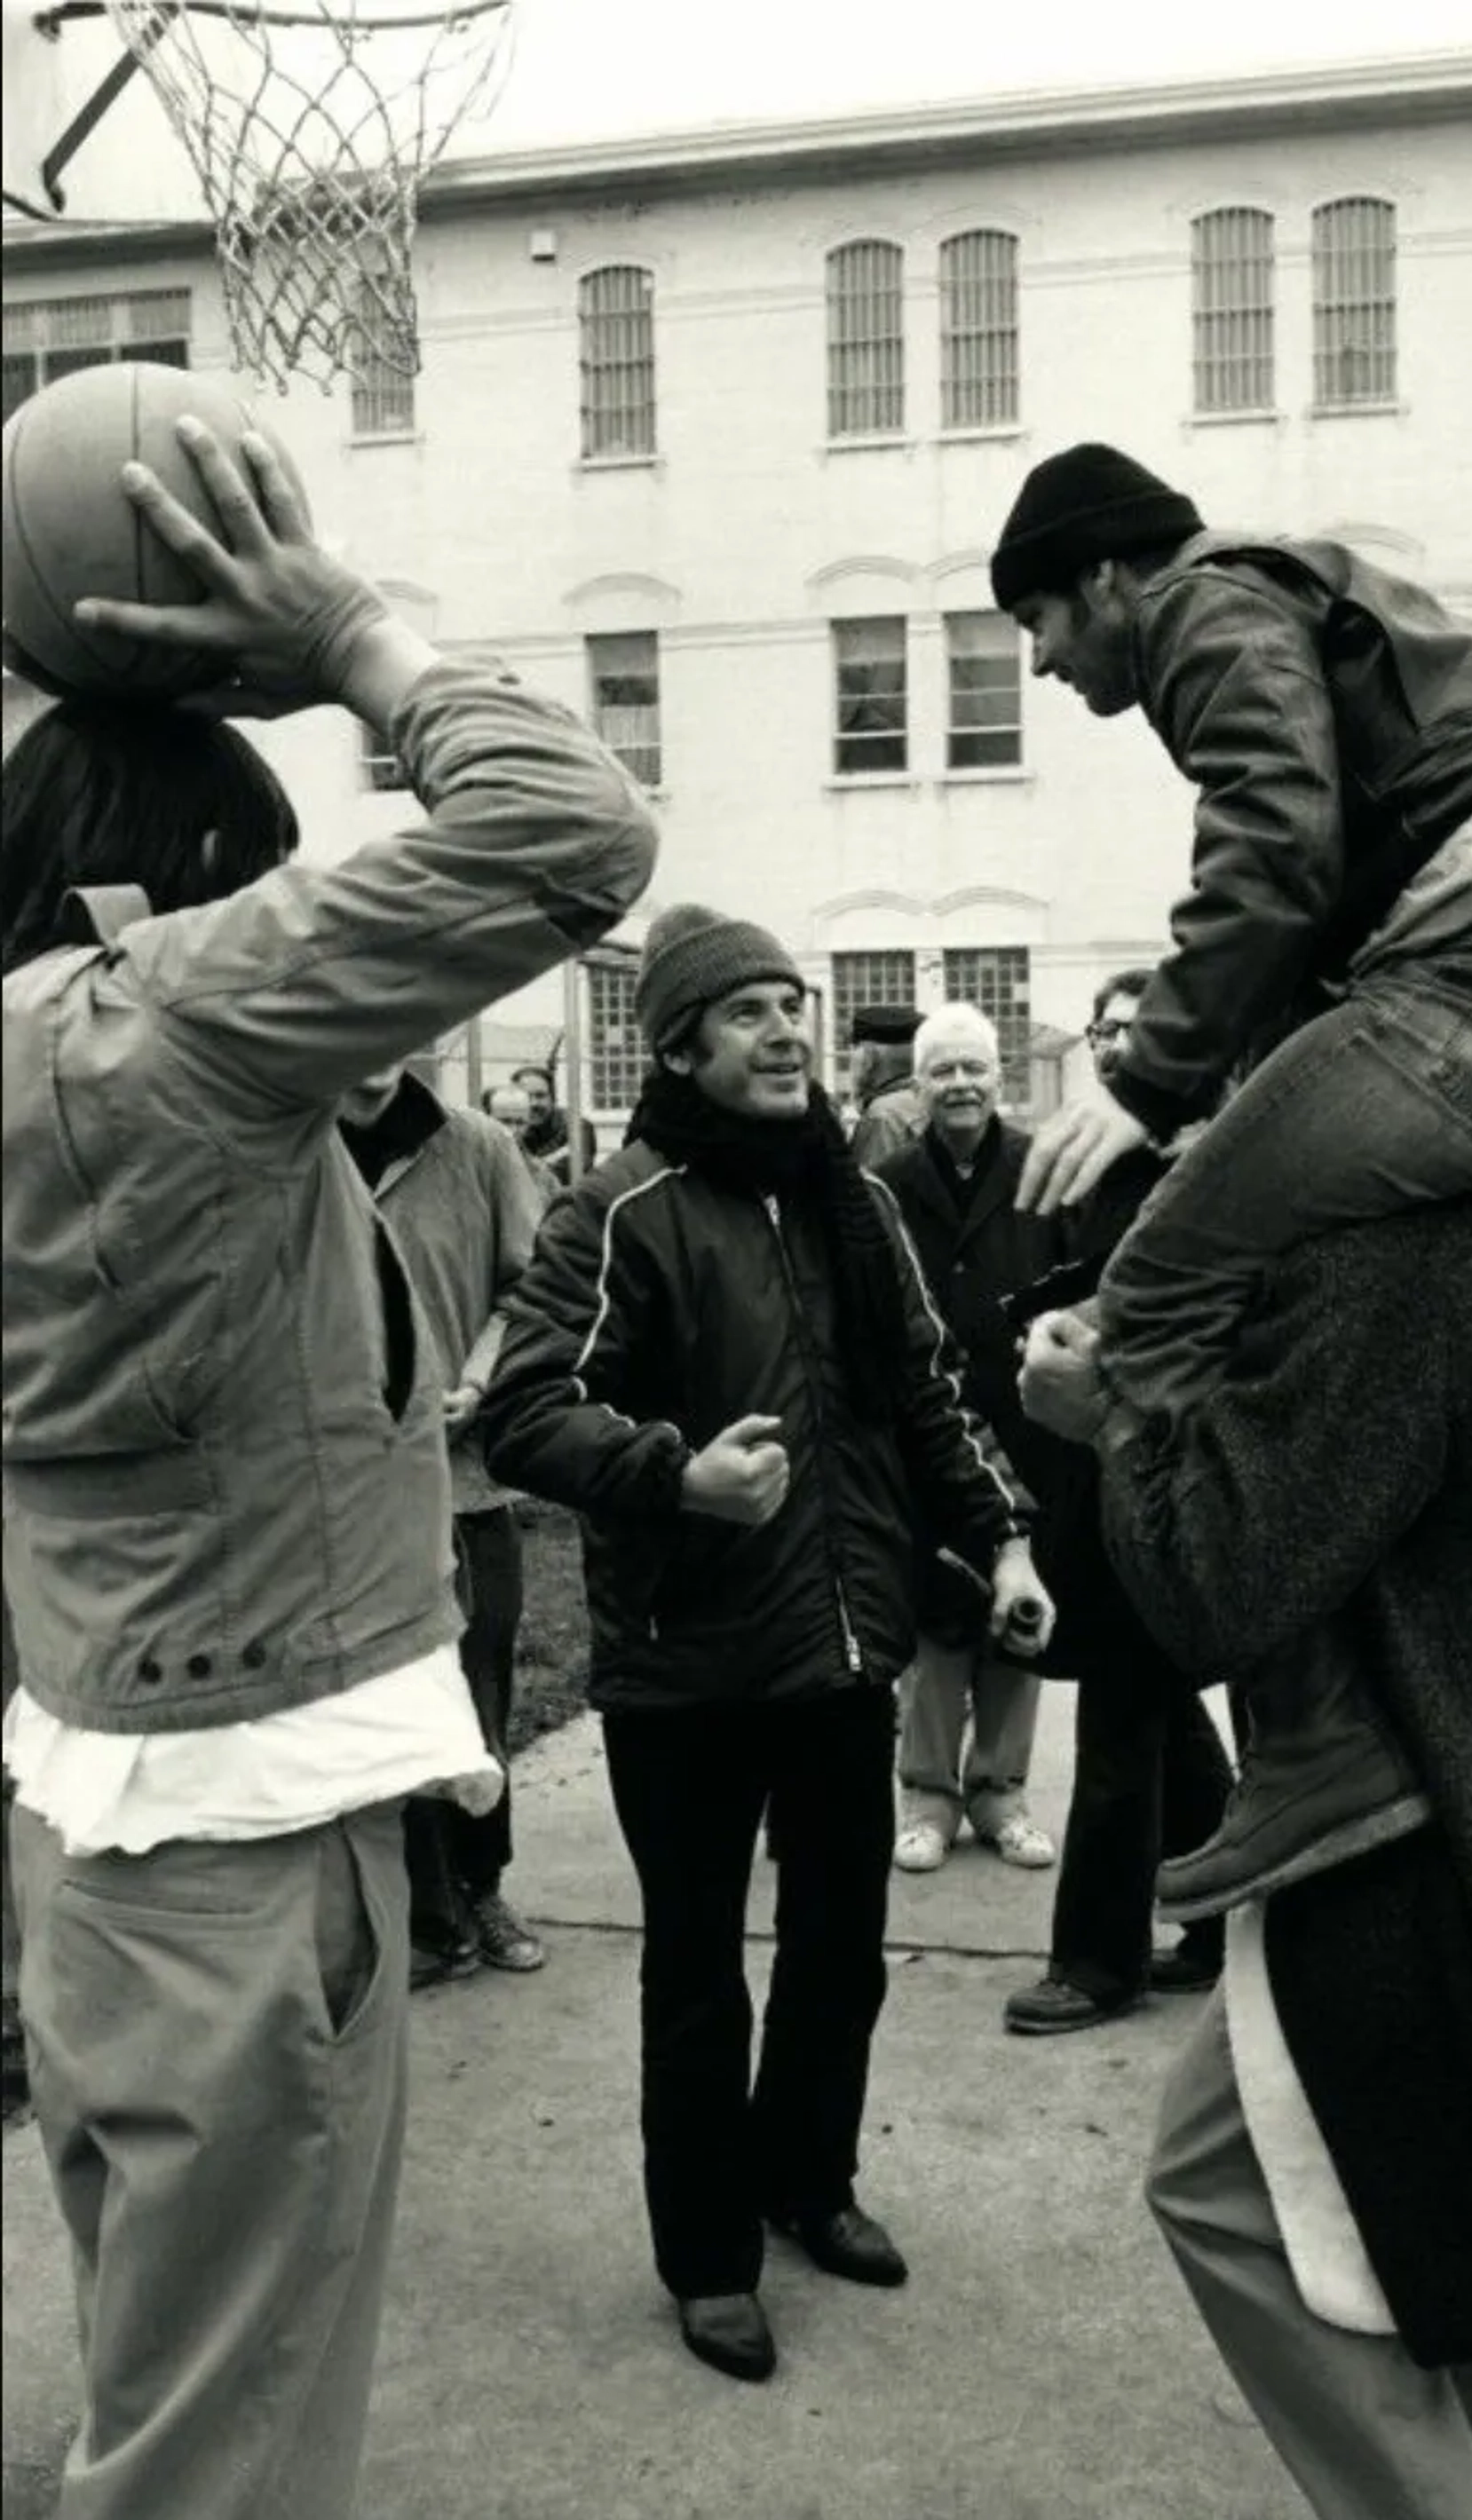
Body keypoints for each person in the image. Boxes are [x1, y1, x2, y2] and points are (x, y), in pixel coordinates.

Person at [1, 415, 655, 2520]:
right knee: (228, 2468)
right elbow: (571, 828)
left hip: (98, 1821)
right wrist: (347, 636)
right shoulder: (166, 1032)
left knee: (162, 2405)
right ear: (180, 900)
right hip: (252, 1848)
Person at [990, 438, 1472, 1919]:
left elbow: (1274, 844)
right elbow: (1333, 910)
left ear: (1111, 576)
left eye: (1042, 619)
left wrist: (1144, 1080)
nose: (1046, 660)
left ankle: (1313, 1734)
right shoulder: (1322, 607)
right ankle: (1410, 1679)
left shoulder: (1204, 600)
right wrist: (1234, 1119)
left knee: (1169, 1278)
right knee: (1312, 1261)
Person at [1018, 1183, 1472, 2520]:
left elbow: (1222, 1585)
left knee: (1221, 2189)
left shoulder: (1377, 1257)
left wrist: (1108, 1415)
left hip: (1393, 1812)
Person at [480, 904, 1052, 2386]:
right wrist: (679, 1471)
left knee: (838, 1950)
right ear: (678, 1042)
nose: (787, 1029)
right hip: (686, 1670)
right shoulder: (619, 1206)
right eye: (745, 1010)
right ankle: (709, 2253)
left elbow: (927, 1392)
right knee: (694, 1969)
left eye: (791, 1003)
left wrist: (1003, 1541)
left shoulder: (854, 1201)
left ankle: (809, 2177)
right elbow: (529, 1407)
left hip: (841, 1656)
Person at [999, 972, 1233, 2030]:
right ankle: (1230, 1913)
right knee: (1156, 1704)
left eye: (1142, 1030)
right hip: (1086, 1459)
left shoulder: (1216, 1157)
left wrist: (1082, 1326)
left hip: (1165, 1459)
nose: (1119, 1047)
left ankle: (1098, 1961)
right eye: (1106, 1029)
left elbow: (1188, 1295)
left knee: (1123, 1714)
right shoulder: (1091, 1159)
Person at [337, 1063, 550, 1987]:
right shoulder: (285, 1141)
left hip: (467, 1487)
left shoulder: (480, 1147)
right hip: (341, 1493)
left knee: (477, 1693)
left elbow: (535, 1288)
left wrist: (479, 1378)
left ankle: (483, 1885)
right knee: (377, 1707)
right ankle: (425, 1919)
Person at [876, 1002, 1057, 1873]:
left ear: (1000, 1077)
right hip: (928, 1421)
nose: (960, 1083)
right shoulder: (888, 1177)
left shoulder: (1037, 1168)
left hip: (1027, 1418)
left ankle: (1001, 1793)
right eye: (942, 1069)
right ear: (917, 1087)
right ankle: (928, 1798)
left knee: (1020, 1611)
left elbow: (1078, 1267)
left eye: (974, 1067)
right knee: (938, 1613)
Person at [846, 1001, 925, 1165]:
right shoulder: (929, 1101)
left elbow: (871, 1188)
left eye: (855, 1049)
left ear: (868, 1058)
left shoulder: (882, 1117)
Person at [511, 1059, 570, 1163]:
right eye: (526, 1096)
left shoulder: (575, 1127)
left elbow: (560, 1172)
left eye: (540, 1096)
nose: (533, 1103)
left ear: (553, 1098)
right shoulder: (510, 1128)